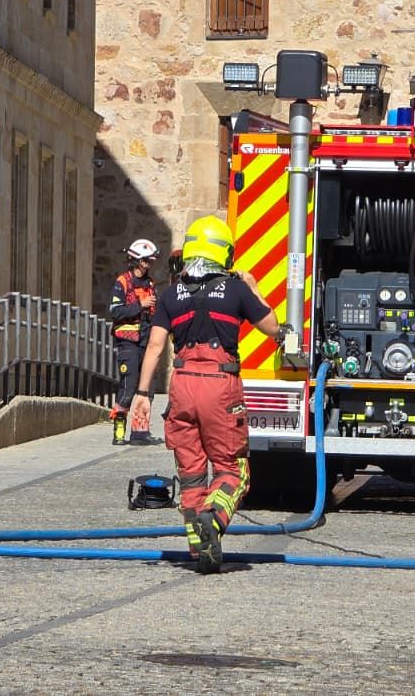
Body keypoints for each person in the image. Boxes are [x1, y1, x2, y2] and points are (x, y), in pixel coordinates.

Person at [134, 215, 286, 573]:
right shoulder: (235, 290)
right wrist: (254, 288)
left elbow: (155, 348)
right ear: (225, 254)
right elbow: (273, 328)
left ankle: (198, 551)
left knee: (190, 474)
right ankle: (214, 520)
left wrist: (141, 395)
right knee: (234, 470)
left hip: (182, 388)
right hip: (220, 388)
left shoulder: (170, 294)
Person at [108, 238, 161, 445]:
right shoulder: (122, 282)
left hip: (146, 343)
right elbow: (115, 311)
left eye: (151, 261)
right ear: (137, 261)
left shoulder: (150, 284)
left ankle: (140, 432)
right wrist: (141, 304)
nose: (149, 265)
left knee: (147, 387)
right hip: (127, 343)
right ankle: (119, 428)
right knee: (128, 386)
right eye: (146, 261)